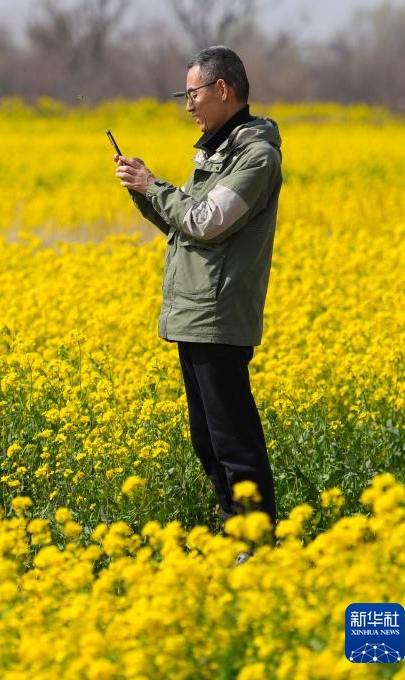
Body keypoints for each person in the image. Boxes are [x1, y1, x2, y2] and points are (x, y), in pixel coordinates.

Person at [113, 45, 281, 527]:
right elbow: (184, 223)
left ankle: (255, 537)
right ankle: (236, 527)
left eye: (192, 94)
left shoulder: (255, 157)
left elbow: (204, 222)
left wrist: (154, 187)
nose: (187, 106)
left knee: (233, 440)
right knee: (208, 439)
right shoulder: (218, 153)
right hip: (196, 313)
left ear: (221, 90)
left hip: (218, 314)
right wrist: (144, 194)